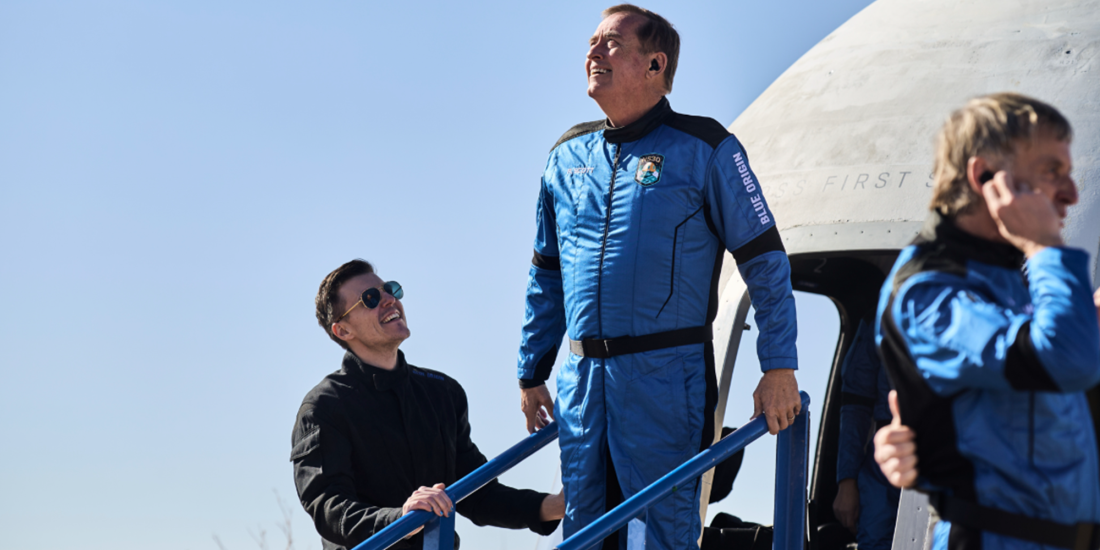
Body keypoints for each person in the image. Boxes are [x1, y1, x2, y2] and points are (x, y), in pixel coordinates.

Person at [515, 5, 801, 549]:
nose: (593, 52)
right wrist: (532, 371)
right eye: (592, 42)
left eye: (611, 44)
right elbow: (545, 274)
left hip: (666, 382)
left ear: (654, 64)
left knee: (662, 534)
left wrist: (779, 366)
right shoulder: (565, 156)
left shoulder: (706, 149)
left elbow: (766, 263)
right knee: (584, 532)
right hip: (582, 385)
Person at [874, 93, 1100, 549]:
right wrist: (1046, 247)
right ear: (985, 178)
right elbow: (1066, 359)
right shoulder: (927, 293)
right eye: (1052, 172)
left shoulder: (1011, 279)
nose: (1072, 194)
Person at [292, 259, 564, 550]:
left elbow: (475, 492)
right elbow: (328, 507)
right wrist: (399, 520)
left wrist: (556, 505)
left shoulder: (443, 393)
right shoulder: (323, 408)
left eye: (389, 289)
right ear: (343, 331)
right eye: (370, 299)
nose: (389, 299)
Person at [832, 320, 899, 549]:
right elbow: (855, 403)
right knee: (875, 538)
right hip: (883, 461)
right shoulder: (880, 318)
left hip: (950, 449)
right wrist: (847, 481)